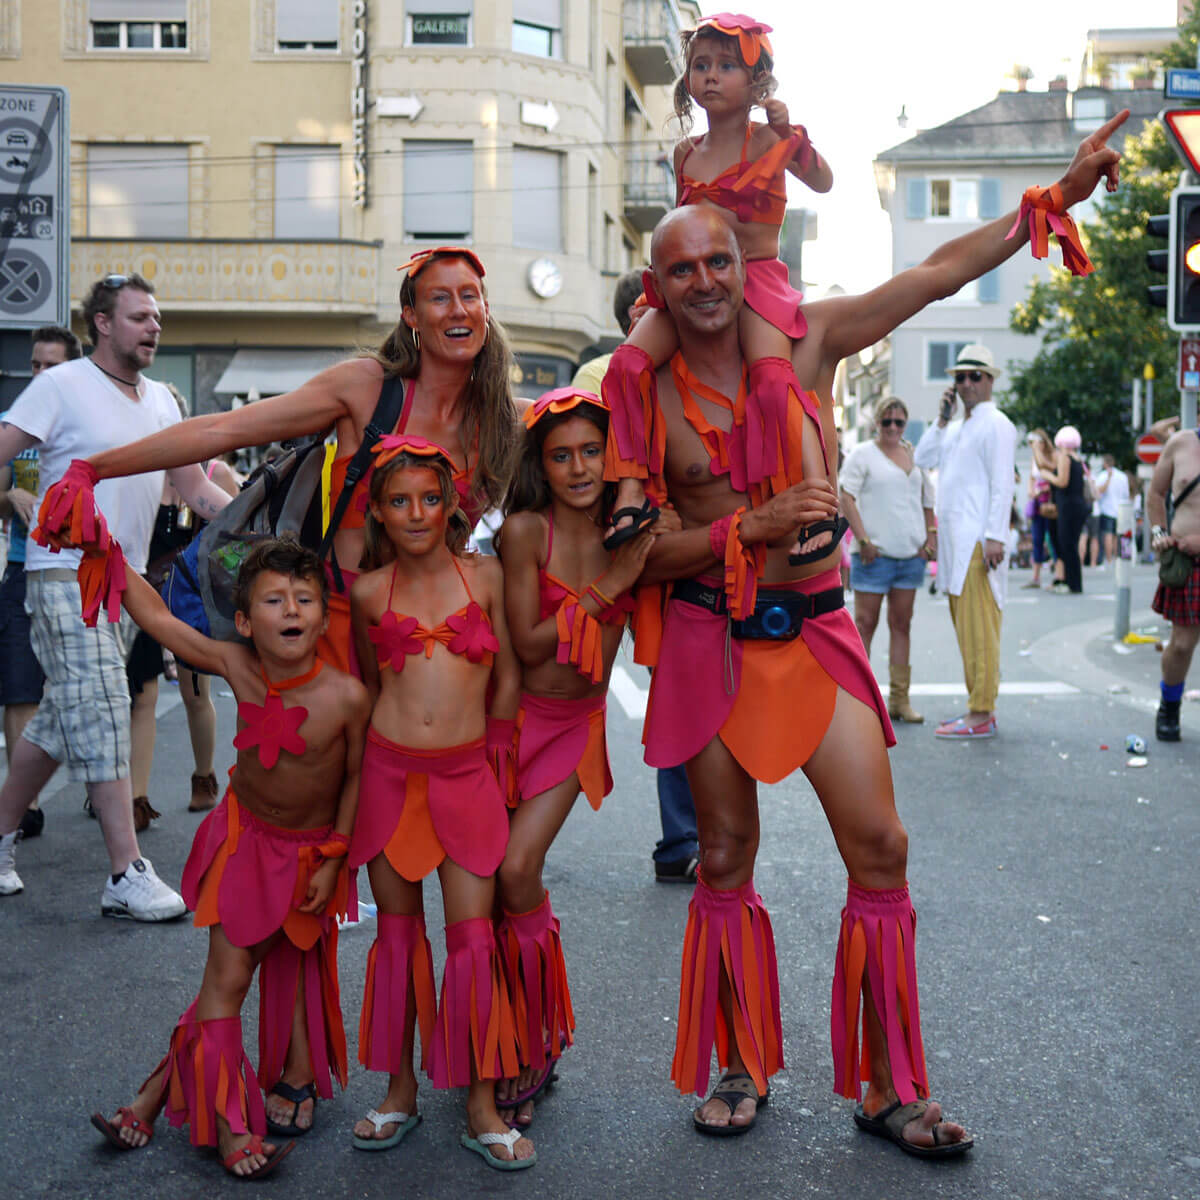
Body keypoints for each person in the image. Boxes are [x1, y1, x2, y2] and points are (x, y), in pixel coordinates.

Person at [630, 105, 1124, 1154]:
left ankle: (891, 1086)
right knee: (722, 856)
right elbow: (634, 551)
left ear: (746, 260)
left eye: (720, 259)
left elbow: (935, 275)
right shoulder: (646, 398)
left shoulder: (809, 344)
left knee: (883, 847)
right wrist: (750, 524)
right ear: (658, 288)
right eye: (683, 271)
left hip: (812, 630)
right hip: (708, 640)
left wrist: (1056, 201)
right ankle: (736, 1060)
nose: (707, 282)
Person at [37, 247, 521, 679]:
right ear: (410, 315)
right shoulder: (366, 388)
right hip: (339, 636)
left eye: (470, 296)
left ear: (485, 309)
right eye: (440, 298)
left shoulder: (510, 420)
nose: (458, 310)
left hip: (435, 644)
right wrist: (94, 469)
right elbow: (220, 430)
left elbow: (594, 439)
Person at [89, 537, 368, 1178]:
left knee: (226, 983)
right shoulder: (238, 667)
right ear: (245, 622)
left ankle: (149, 1099)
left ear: (323, 617)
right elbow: (158, 619)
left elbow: (354, 780)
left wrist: (335, 858)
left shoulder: (349, 697)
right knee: (228, 983)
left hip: (307, 860)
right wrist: (107, 554)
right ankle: (234, 1129)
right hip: (244, 845)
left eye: (304, 599)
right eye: (273, 600)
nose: (290, 608)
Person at [0, 274, 232, 910]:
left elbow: (195, 491)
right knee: (103, 705)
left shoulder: (162, 399)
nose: (154, 328)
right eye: (139, 318)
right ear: (102, 323)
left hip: (123, 584)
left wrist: (251, 524)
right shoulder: (60, 384)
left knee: (56, 724)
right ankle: (124, 873)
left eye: (157, 318)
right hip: (59, 572)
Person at [347, 438, 534, 1170]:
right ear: (380, 514)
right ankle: (398, 1092)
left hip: (467, 778)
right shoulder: (368, 592)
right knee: (396, 941)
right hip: (391, 781)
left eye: (430, 498)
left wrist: (497, 753)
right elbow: (369, 690)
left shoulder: (484, 577)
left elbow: (510, 674)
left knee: (473, 944)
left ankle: (481, 1103)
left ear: (451, 504)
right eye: (400, 502)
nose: (416, 513)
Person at [601, 12, 838, 563]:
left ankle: (819, 508)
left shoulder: (768, 140)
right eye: (700, 66)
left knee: (776, 383)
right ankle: (632, 489)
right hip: (699, 286)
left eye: (726, 65)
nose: (710, 76)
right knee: (627, 364)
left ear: (756, 83)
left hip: (755, 280)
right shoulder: (685, 154)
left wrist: (792, 137)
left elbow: (824, 181)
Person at [494, 389, 655, 1126]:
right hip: (509, 720)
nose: (580, 467)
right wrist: (612, 586)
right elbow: (528, 643)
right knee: (493, 892)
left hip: (574, 726)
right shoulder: (525, 531)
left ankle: (536, 1040)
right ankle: (517, 1035)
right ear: (542, 464)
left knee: (518, 870)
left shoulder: (637, 527)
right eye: (562, 455)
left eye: (593, 451)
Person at [572, 274, 700, 883]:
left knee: (691, 694)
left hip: (689, 559)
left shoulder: (697, 369)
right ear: (632, 321)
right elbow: (579, 472)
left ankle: (695, 836)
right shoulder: (599, 378)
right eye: (648, 312)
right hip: (620, 563)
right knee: (574, 690)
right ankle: (683, 838)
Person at [0, 325, 82, 840]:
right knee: (18, 687)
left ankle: (112, 789)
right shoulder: (14, 426)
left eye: (50, 366)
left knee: (78, 692)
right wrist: (10, 499)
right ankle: (23, 802)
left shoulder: (80, 421)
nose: (39, 375)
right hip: (19, 568)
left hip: (76, 571)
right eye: (33, 365)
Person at [915, 345, 1016, 740]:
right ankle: (977, 706)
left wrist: (995, 536)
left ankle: (982, 712)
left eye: (975, 376)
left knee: (981, 629)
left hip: (978, 542)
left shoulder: (998, 424)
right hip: (957, 544)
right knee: (966, 628)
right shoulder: (956, 427)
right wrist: (941, 418)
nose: (966, 383)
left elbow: (1002, 484)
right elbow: (923, 457)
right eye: (960, 377)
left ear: (990, 380)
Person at [840, 397, 936, 725]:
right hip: (874, 556)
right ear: (876, 424)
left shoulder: (915, 455)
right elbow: (846, 496)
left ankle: (899, 700)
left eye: (899, 422)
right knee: (864, 625)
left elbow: (927, 501)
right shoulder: (862, 455)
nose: (893, 428)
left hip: (910, 556)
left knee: (902, 625)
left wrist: (931, 538)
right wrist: (863, 540)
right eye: (887, 422)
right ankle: (861, 703)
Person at [1147, 423, 1200, 741]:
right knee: (1181, 645)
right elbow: (1155, 493)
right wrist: (1158, 533)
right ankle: (1169, 706)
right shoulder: (1180, 443)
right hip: (1186, 563)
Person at [1044, 425, 1088, 595]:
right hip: (1078, 505)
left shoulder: (1064, 457)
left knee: (1066, 544)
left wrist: (1047, 475)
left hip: (1068, 506)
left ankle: (1073, 584)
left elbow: (1062, 481)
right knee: (1071, 544)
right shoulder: (1077, 459)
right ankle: (1073, 582)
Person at [1023, 428, 1058, 589]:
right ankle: (1036, 576)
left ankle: (1058, 574)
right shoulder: (1033, 459)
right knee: (1036, 539)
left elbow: (1053, 473)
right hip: (1037, 502)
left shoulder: (1052, 456)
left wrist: (1044, 488)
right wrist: (1031, 490)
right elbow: (1032, 477)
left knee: (1053, 538)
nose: (1032, 446)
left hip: (1049, 501)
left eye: (1034, 443)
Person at [1095, 452, 1129, 565]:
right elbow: (1126, 494)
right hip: (1120, 509)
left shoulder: (1102, 476)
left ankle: (1109, 559)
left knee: (1108, 535)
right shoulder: (1122, 476)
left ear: (1105, 463)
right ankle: (1115, 558)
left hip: (1107, 509)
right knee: (1116, 535)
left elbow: (1098, 491)